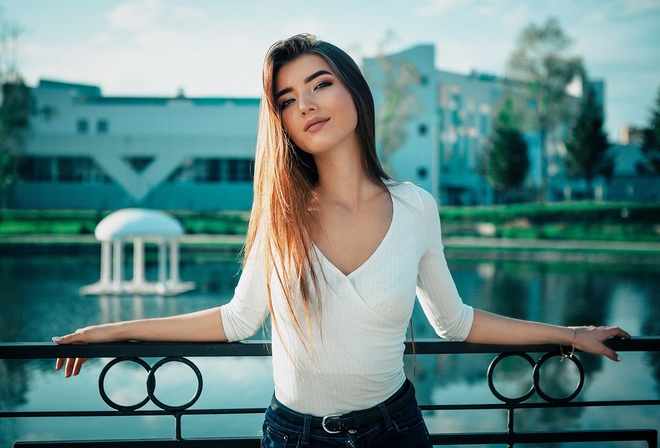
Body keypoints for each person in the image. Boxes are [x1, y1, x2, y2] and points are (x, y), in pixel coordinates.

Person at [54, 34, 630, 448]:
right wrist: (111, 330)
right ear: (279, 122)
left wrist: (572, 335)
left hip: (396, 431)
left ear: (354, 91)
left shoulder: (414, 207)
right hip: (294, 437)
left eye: (319, 84)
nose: (304, 104)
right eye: (285, 99)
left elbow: (455, 324)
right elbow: (236, 321)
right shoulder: (281, 213)